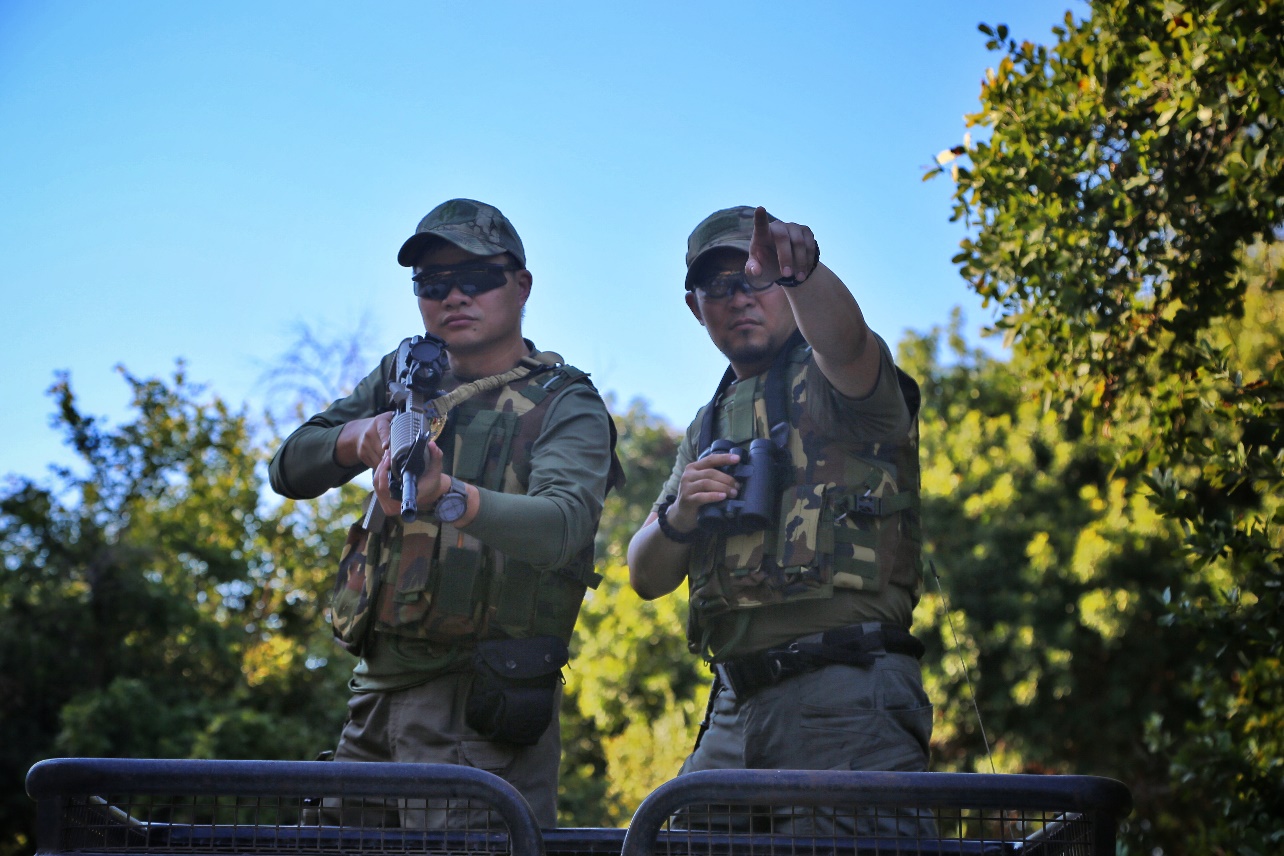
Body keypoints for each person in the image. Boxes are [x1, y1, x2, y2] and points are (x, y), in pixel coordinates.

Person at [270, 198, 620, 829]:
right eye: (432, 284)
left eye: (477, 278)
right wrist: (363, 435)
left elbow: (563, 528)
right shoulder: (402, 376)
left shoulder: (564, 402)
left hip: (480, 717)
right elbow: (288, 468)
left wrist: (447, 496)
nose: (453, 296)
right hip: (371, 707)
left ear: (521, 286)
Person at [627, 205, 932, 836]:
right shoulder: (706, 425)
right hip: (736, 704)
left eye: (755, 278)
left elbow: (845, 341)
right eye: (719, 285)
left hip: (844, 694)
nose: (740, 297)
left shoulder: (839, 382)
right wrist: (682, 513)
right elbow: (644, 573)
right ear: (696, 306)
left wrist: (803, 274)